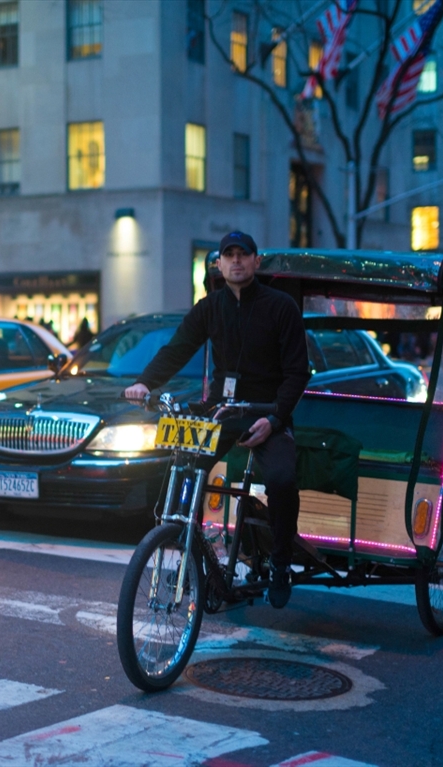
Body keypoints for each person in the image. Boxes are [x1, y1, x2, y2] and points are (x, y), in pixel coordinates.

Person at [124, 231, 311, 609]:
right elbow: (176, 349)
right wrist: (145, 382)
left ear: (257, 262)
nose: (237, 261)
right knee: (184, 464)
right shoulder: (210, 307)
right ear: (220, 264)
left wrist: (275, 419)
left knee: (280, 478)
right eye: (230, 255)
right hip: (223, 410)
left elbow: (297, 373)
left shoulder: (281, 307)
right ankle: (189, 548)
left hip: (266, 414)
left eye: (244, 254)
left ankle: (279, 562)